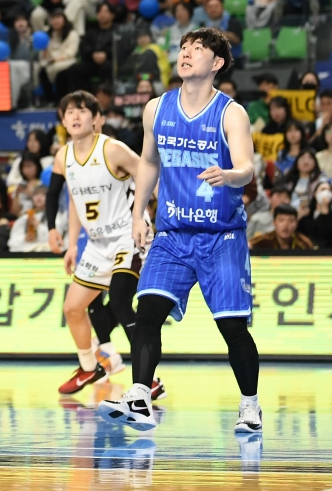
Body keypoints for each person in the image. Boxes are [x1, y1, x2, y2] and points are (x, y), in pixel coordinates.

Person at [97, 27, 261, 435]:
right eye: (184, 47)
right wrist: (138, 213)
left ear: (216, 63)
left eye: (197, 48)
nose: (186, 53)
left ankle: (250, 405)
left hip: (221, 236)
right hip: (172, 233)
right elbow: (149, 163)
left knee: (232, 327)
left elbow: (247, 168)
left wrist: (230, 174)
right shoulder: (156, 108)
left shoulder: (231, 113)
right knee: (147, 311)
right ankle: (140, 395)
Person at [54, 91, 165, 401]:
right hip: (97, 242)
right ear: (63, 121)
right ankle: (90, 367)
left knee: (119, 300)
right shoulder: (64, 156)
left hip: (129, 234)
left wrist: (166, 215)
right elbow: (75, 201)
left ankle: (149, 379)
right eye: (69, 112)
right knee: (72, 308)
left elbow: (148, 173)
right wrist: (72, 244)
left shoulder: (112, 149)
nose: (76, 116)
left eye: (82, 110)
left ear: (96, 119)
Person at [249, 204, 314, 250]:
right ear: (274, 223)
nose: (286, 225)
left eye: (290, 221)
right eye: (281, 220)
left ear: (296, 224)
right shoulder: (261, 241)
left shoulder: (305, 244)